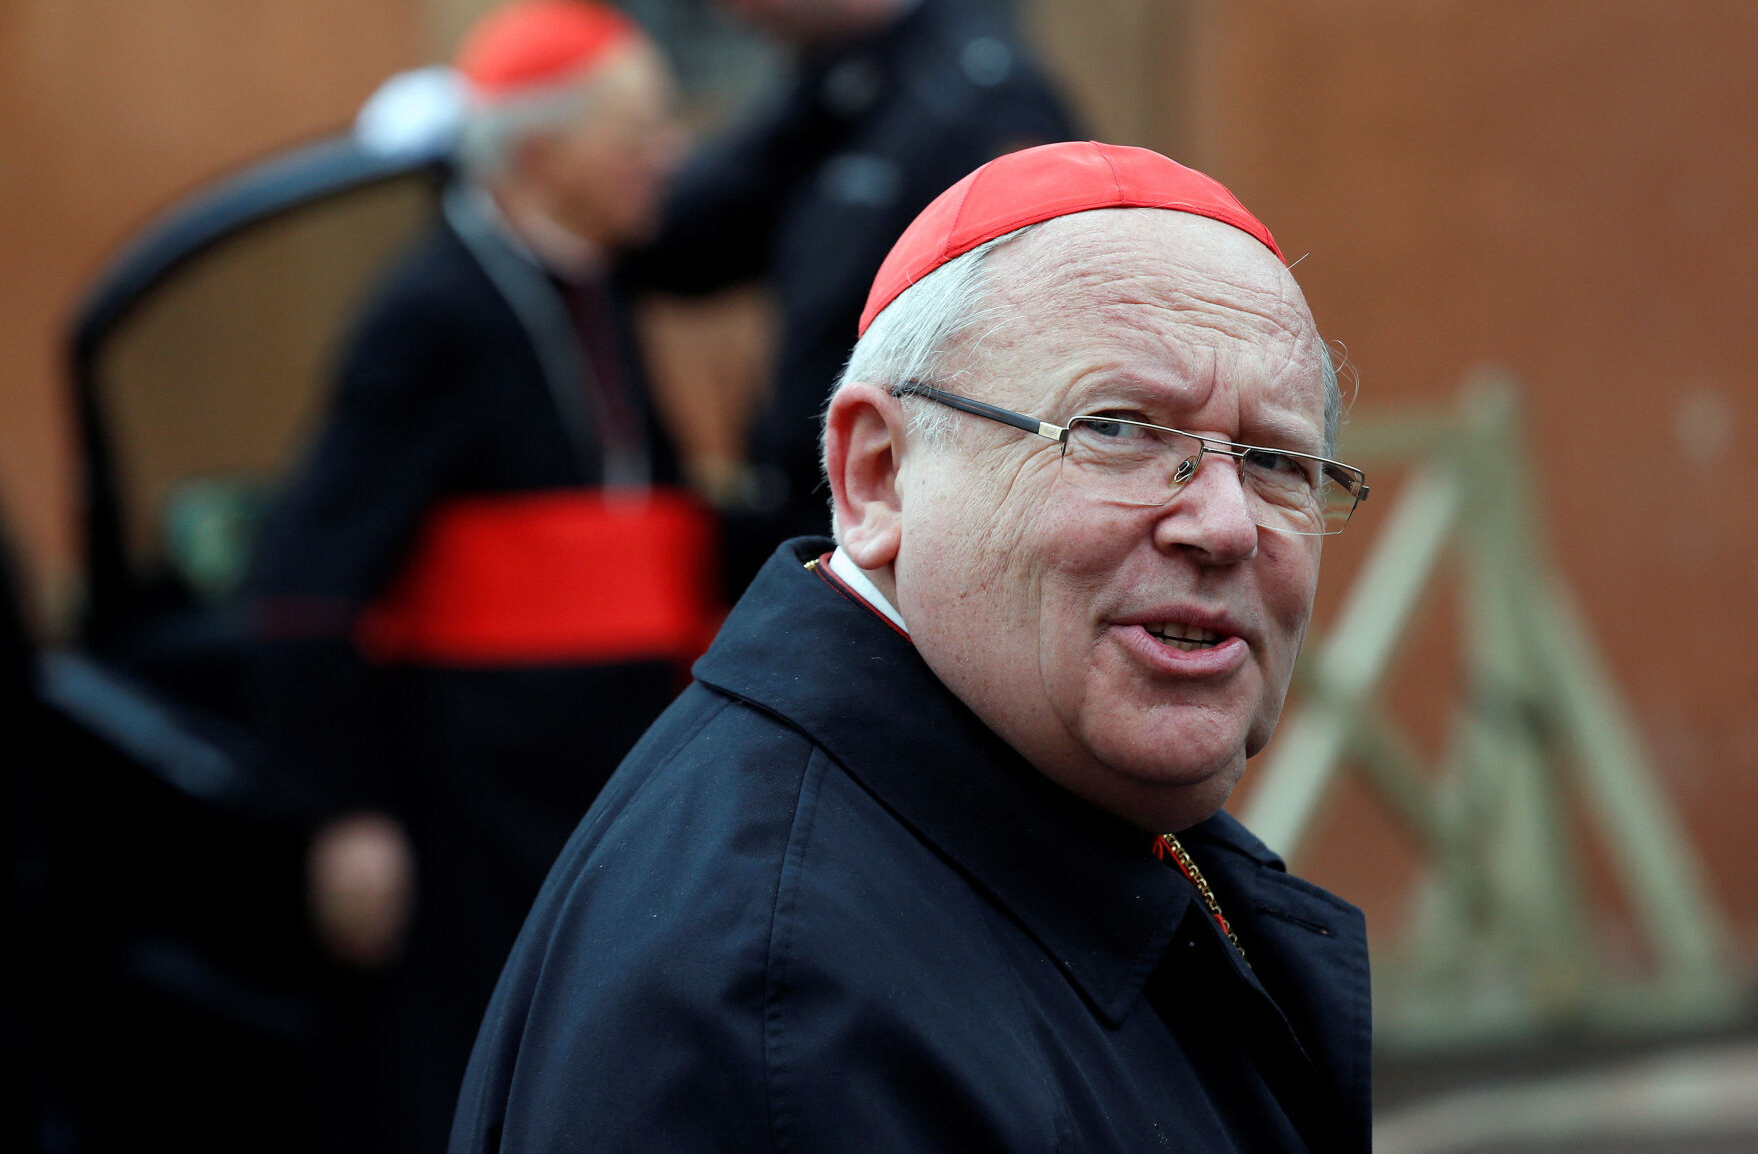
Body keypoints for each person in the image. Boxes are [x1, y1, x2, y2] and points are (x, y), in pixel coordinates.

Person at [452, 140, 1375, 1152]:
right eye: (1118, 430)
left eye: (1278, 461)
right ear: (879, 476)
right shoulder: (780, 1020)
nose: (1227, 525)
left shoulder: (1057, 775)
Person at [242, 0, 711, 1151]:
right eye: (639, 132)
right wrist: (343, 812)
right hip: (472, 794)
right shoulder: (430, 311)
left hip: (593, 769)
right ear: (544, 153)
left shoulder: (595, 281)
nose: (670, 156)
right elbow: (309, 581)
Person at [630, 0, 1077, 592]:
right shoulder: (831, 83)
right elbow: (686, 239)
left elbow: (1035, 334)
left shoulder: (980, 95)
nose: (735, 9)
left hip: (914, 521)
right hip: (818, 507)